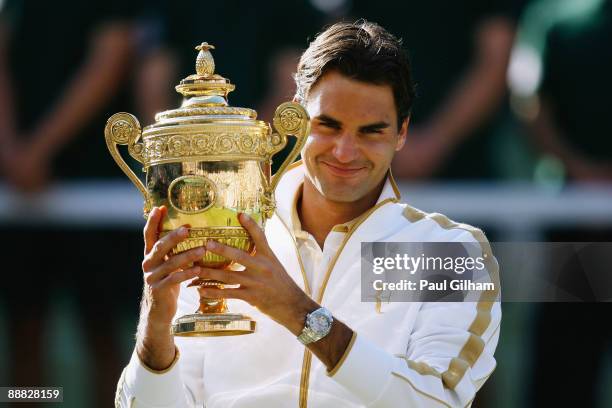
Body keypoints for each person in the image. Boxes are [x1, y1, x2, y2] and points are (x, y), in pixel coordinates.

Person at [116, 21, 501, 407]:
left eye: (371, 132)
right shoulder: (217, 232)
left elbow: (434, 402)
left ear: (402, 132)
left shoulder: (446, 253)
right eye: (328, 126)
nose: (344, 152)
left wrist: (300, 313)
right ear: (295, 121)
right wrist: (155, 328)